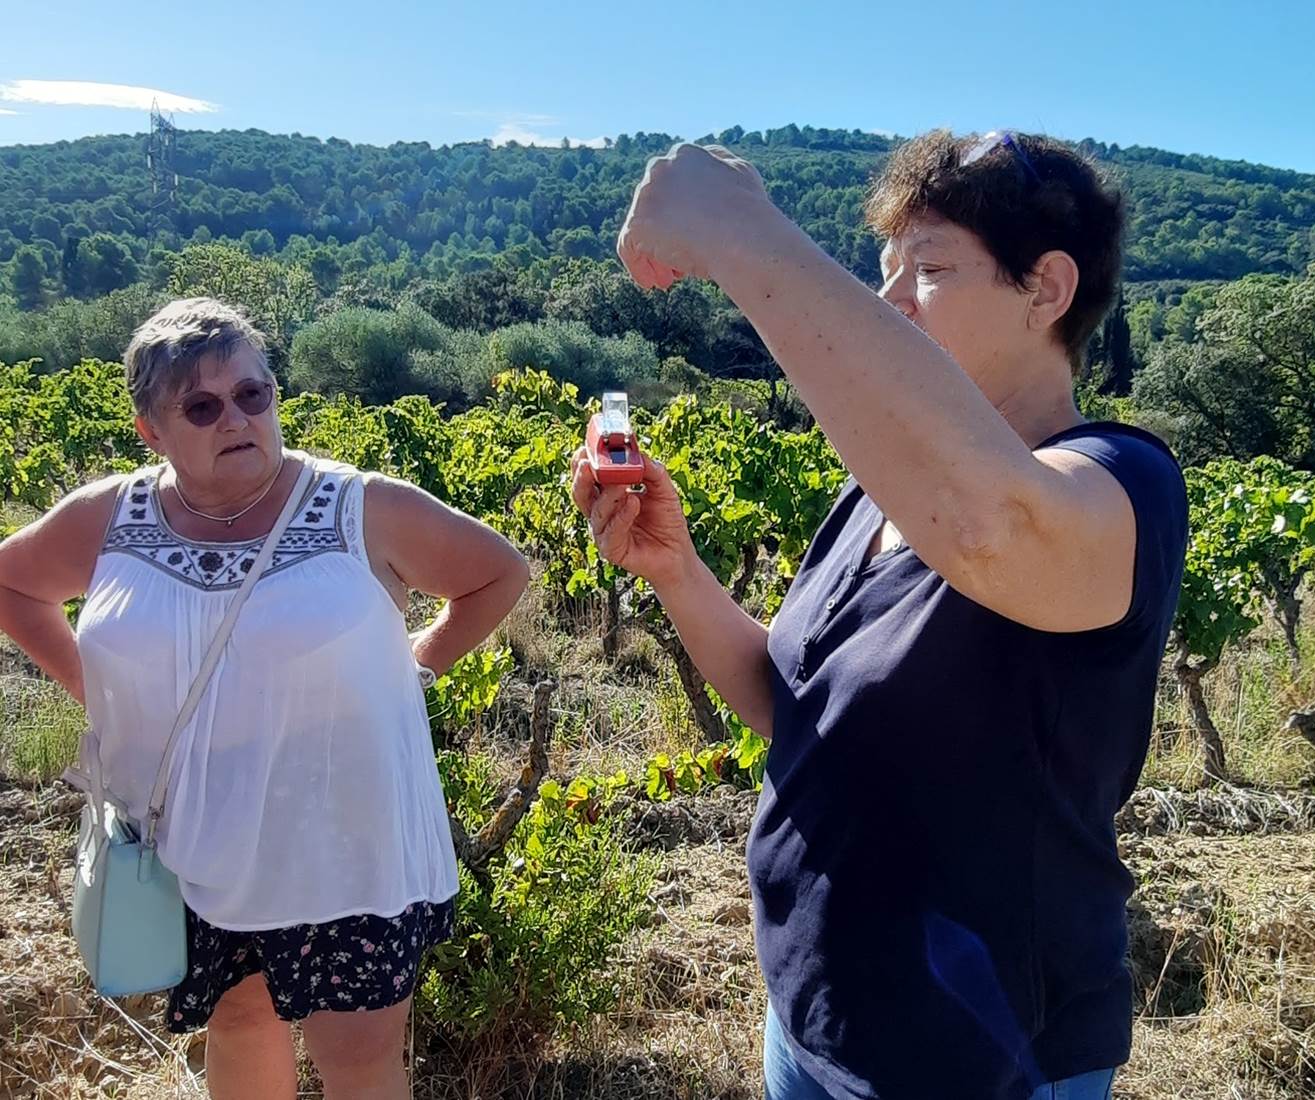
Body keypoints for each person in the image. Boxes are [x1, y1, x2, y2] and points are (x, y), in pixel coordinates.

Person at [572, 131, 1187, 1099]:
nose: (892, 298)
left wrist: (741, 234)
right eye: (884, 267)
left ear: (1046, 288)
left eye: (930, 267)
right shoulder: (875, 496)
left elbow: (997, 530)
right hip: (816, 1010)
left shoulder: (1122, 482)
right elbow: (795, 707)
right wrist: (676, 568)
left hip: (983, 1053)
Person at [0, 297, 529, 1100]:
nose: (236, 419)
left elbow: (499, 572)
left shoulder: (358, 508)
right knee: (240, 1025)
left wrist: (417, 663)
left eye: (253, 395)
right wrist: (97, 693)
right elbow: (11, 582)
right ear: (152, 431)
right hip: (194, 840)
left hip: (345, 845)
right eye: (202, 408)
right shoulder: (114, 517)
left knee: (358, 1060)